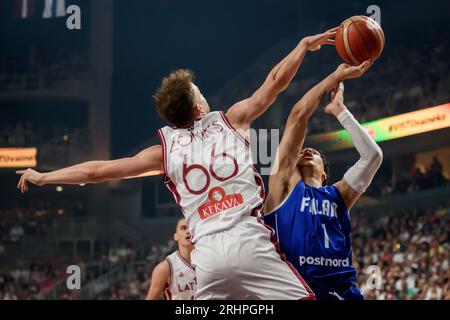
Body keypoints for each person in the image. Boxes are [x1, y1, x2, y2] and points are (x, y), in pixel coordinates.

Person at [16, 27, 338, 299]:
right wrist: (302, 47)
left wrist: (44, 177)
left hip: (208, 259)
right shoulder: (232, 120)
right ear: (199, 107)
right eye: (198, 91)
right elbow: (275, 81)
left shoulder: (163, 151)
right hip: (249, 241)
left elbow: (96, 171)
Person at [264, 68, 383, 300]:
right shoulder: (283, 189)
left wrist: (341, 111)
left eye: (315, 152)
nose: (307, 150)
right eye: (302, 151)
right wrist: (335, 77)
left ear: (326, 174)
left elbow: (373, 156)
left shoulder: (339, 195)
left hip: (344, 293)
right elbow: (298, 116)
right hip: (298, 293)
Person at [146, 218, 196, 300]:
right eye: (183, 228)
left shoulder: (211, 261)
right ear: (175, 236)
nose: (188, 231)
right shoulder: (165, 268)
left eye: (191, 228)